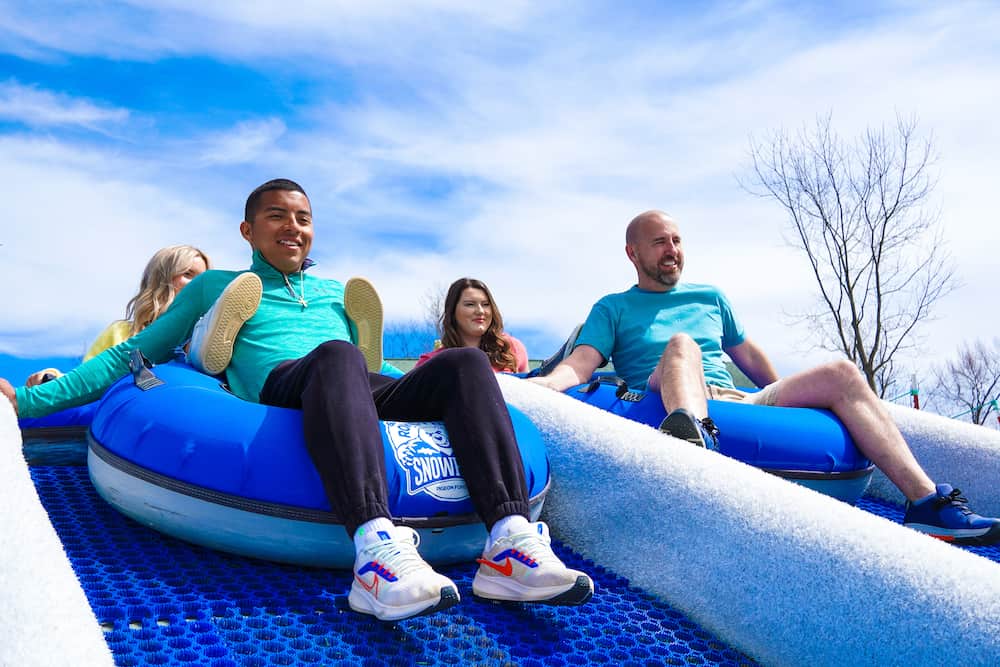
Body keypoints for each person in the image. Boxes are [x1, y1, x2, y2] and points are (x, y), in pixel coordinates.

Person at [1, 179, 593, 621]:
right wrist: (28, 404)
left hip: (350, 383)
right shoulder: (215, 282)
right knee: (336, 356)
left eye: (304, 218)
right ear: (248, 230)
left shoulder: (337, 290)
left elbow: (376, 367)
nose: (294, 226)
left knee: (462, 363)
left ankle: (509, 545)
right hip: (282, 386)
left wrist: (405, 378)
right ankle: (375, 554)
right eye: (277, 216)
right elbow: (130, 357)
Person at [530, 209, 1000, 546]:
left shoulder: (711, 295)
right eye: (659, 242)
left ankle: (926, 504)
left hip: (736, 400)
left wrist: (791, 403)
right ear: (633, 252)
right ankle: (694, 444)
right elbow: (582, 363)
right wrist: (537, 386)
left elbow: (752, 359)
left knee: (842, 371)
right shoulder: (613, 307)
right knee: (682, 345)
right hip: (665, 392)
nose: (672, 250)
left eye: (676, 240)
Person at [24, 245, 210, 387]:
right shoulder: (122, 333)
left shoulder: (209, 338)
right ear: (161, 279)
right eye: (188, 274)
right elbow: (88, 379)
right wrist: (54, 377)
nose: (198, 283)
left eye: (203, 278)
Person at [417, 278, 529, 373]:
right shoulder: (430, 362)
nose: (480, 311)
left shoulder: (511, 349)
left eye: (485, 305)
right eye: (470, 304)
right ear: (452, 311)